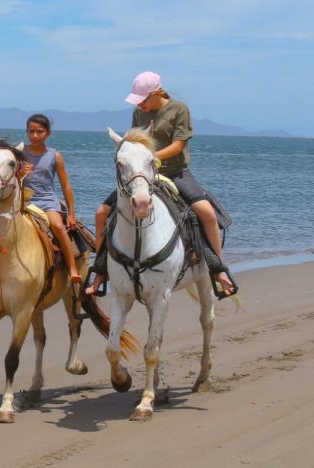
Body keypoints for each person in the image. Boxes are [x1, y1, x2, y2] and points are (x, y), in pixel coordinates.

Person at [84, 71, 236, 298]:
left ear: (156, 93)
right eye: (138, 100)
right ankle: (101, 269)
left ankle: (218, 268)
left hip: (175, 172)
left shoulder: (178, 110)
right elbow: (135, 143)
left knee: (206, 212)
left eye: (143, 99)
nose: (140, 104)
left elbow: (178, 146)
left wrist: (152, 157)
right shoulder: (139, 113)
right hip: (142, 175)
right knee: (101, 213)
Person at [0, 114, 83, 287]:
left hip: (46, 200)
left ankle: (72, 268)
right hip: (22, 200)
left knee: (57, 226)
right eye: (31, 131)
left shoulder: (55, 156)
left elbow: (66, 186)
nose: (35, 135)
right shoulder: (18, 154)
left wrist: (71, 213)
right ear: (26, 132)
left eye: (39, 132)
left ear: (48, 133)